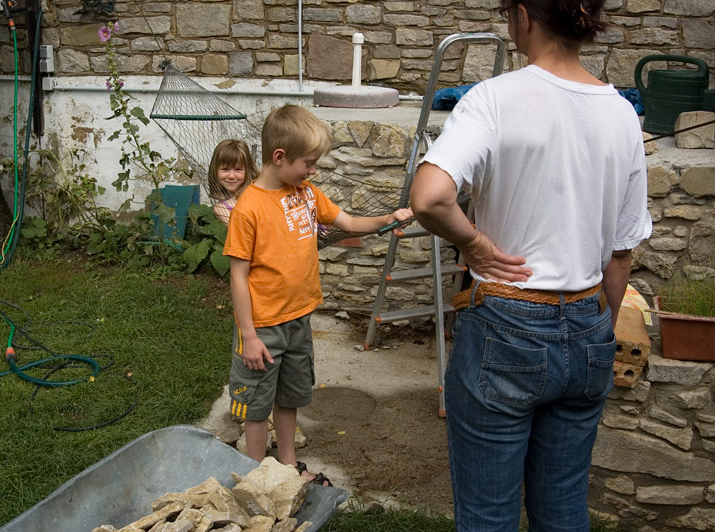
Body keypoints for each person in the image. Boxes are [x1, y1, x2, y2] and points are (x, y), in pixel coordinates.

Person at [409, 0, 652, 530]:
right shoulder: (621, 115)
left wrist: (472, 244)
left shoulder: (495, 99)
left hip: (507, 327)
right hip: (590, 324)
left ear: (523, 15)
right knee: (563, 509)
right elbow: (622, 251)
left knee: (488, 516)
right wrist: (599, 331)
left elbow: (428, 198)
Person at [224, 104, 412, 485]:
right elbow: (238, 276)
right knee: (257, 406)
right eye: (308, 163)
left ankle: (289, 465)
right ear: (280, 157)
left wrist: (386, 219)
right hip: (263, 326)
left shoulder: (306, 193)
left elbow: (347, 222)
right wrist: (249, 336)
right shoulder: (249, 209)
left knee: (290, 396)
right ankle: (257, 476)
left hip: (298, 319)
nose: (313, 171)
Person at [208, 139, 259, 225]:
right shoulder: (221, 208)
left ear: (247, 170)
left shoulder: (257, 190)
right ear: (215, 170)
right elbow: (240, 230)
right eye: (225, 169)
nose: (231, 176)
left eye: (238, 169)